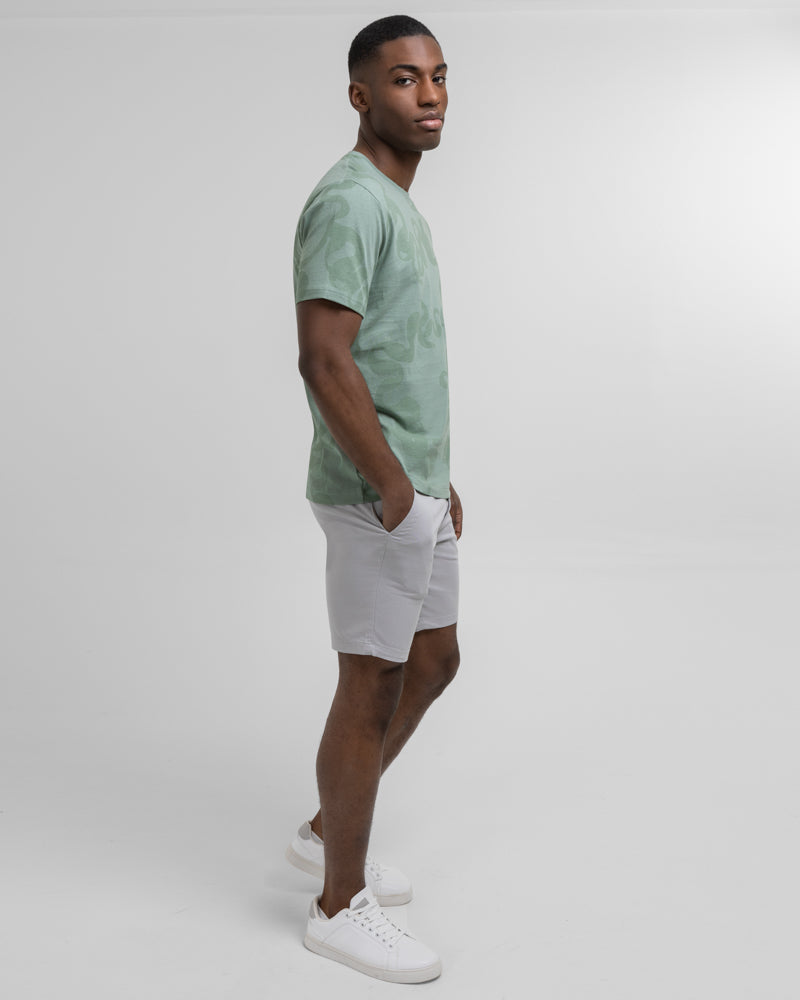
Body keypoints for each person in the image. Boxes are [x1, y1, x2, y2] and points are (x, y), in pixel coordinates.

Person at [286, 14, 462, 984]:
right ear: (361, 97)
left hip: (412, 486)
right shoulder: (350, 201)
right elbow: (324, 357)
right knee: (370, 686)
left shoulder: (394, 201)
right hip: (373, 495)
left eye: (437, 76)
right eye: (403, 79)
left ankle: (327, 830)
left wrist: (434, 475)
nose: (428, 95)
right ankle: (335, 905)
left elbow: (396, 358)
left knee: (433, 660)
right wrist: (394, 485)